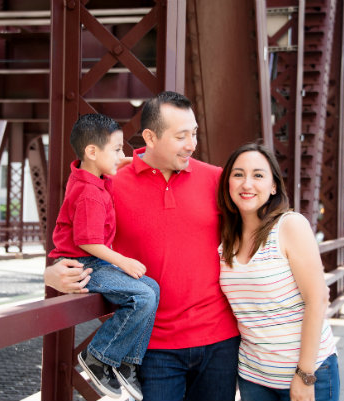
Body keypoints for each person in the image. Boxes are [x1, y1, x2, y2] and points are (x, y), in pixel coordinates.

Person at [45, 91, 240, 401]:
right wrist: (52, 273)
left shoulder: (217, 180)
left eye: (194, 133)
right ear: (150, 136)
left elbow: (264, 238)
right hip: (152, 348)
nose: (192, 143)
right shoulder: (108, 182)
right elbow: (74, 236)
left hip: (219, 342)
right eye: (181, 136)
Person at [48, 113, 160, 401]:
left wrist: (120, 160)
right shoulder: (89, 193)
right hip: (86, 264)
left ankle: (128, 362)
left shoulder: (92, 177)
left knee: (153, 288)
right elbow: (88, 242)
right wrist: (123, 261)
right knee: (144, 296)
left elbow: (110, 163)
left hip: (94, 262)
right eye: (117, 148)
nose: (121, 155)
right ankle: (99, 356)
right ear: (92, 152)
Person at [217, 142, 339, 401]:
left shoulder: (290, 226)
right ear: (227, 184)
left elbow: (317, 300)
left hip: (306, 372)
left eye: (258, 175)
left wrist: (305, 375)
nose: (247, 184)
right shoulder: (225, 241)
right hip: (253, 377)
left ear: (273, 187)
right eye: (238, 175)